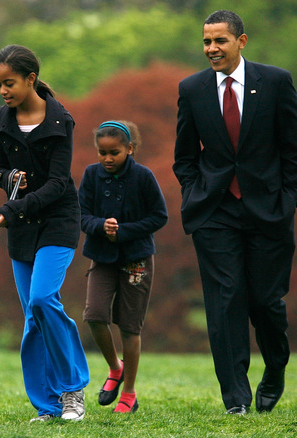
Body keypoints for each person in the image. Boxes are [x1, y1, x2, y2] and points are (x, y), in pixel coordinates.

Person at [173, 10, 297, 415]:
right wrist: (195, 193)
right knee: (225, 300)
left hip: (269, 210)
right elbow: (184, 156)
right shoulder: (192, 88)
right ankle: (236, 399)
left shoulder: (276, 82)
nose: (211, 49)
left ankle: (275, 369)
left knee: (266, 302)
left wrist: (289, 197)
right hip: (214, 211)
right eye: (206, 42)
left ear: (241, 42)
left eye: (220, 41)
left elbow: (293, 148)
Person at [0, 44, 89, 422]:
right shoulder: (2, 119)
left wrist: (14, 208)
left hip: (59, 221)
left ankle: (72, 390)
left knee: (44, 299)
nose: (3, 91)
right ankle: (47, 405)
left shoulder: (60, 120)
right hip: (22, 226)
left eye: (9, 83)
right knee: (32, 315)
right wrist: (8, 178)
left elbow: (60, 184)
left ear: (31, 79)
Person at [79, 120, 168, 414]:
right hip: (102, 258)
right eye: (102, 152)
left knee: (130, 327)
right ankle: (115, 367)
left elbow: (159, 216)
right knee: (94, 314)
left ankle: (129, 393)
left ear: (130, 149)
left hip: (136, 260)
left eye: (114, 152)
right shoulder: (91, 175)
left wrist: (125, 231)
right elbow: (81, 215)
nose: (107, 159)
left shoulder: (143, 177)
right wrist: (100, 226)